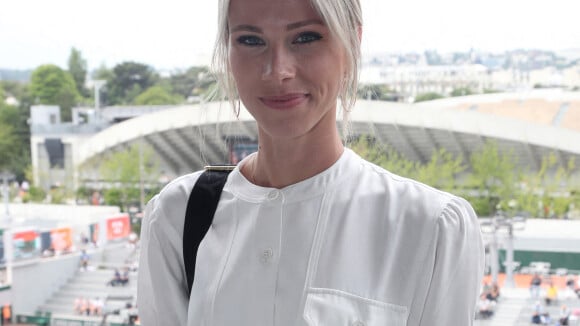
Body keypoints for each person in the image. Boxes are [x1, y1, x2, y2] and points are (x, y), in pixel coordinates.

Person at [137, 0, 485, 325]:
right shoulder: (176, 216)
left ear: (352, 43)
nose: (277, 71)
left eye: (305, 37)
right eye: (250, 40)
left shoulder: (429, 226)